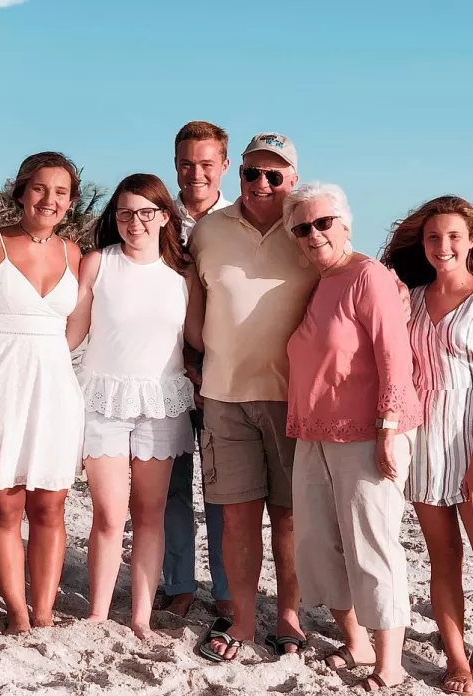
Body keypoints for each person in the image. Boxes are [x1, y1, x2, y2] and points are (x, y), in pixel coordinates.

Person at [283, 182, 422, 691]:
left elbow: (394, 357)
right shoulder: (321, 282)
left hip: (368, 433)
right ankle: (355, 640)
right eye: (302, 228)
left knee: (372, 545)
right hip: (313, 434)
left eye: (323, 223)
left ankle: (390, 661)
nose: (314, 234)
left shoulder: (369, 276)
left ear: (344, 223)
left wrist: (389, 428)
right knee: (318, 545)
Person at [380, 196, 473, 696]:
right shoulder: (410, 299)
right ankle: (458, 659)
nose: (443, 246)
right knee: (444, 559)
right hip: (424, 442)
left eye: (454, 236)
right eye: (434, 238)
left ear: (471, 241)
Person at [191, 133, 316, 662]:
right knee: (237, 518)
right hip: (222, 395)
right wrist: (202, 362)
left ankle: (288, 616)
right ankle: (241, 621)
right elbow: (193, 309)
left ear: (292, 178)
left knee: (289, 519)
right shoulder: (206, 230)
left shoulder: (310, 227)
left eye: (274, 175)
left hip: (295, 401)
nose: (261, 184)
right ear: (236, 174)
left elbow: (350, 280)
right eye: (251, 173)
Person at [65, 174, 202, 639]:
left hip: (161, 399)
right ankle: (98, 614)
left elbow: (199, 338)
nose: (135, 222)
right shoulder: (97, 263)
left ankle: (140, 616)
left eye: (146, 212)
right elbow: (75, 330)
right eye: (125, 213)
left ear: (165, 216)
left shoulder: (183, 274)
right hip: (103, 398)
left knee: (150, 513)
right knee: (108, 514)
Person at [0, 152, 85, 634]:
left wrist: (52, 355)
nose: (49, 199)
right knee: (4, 504)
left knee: (50, 506)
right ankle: (16, 610)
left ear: (70, 202)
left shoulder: (75, 254)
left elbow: (76, 325)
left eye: (60, 192)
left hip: (54, 387)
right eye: (39, 188)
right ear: (20, 191)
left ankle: (45, 610)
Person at [163, 121, 232, 619]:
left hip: (222, 369)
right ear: (176, 165)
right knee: (171, 485)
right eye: (187, 163)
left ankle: (227, 586)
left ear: (223, 166)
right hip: (161, 369)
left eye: (206, 163)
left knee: (223, 488)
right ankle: (179, 582)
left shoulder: (240, 221)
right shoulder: (155, 219)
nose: (196, 173)